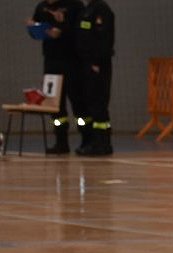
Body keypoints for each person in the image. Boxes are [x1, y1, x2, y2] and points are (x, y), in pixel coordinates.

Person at [28, 0, 83, 155]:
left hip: (73, 61)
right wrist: (33, 28)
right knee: (54, 105)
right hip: (51, 61)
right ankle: (61, 142)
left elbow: (81, 31)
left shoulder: (75, 5)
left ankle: (87, 139)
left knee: (78, 102)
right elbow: (36, 32)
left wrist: (62, 26)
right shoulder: (41, 7)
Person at [74, 0, 114, 156]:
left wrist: (97, 61)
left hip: (97, 65)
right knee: (89, 103)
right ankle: (91, 141)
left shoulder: (101, 9)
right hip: (85, 64)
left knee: (98, 104)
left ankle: (103, 144)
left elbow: (104, 38)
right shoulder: (86, 10)